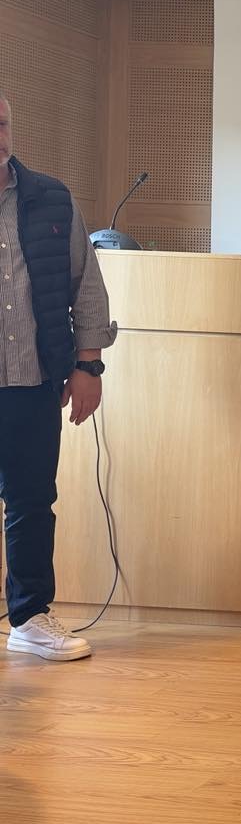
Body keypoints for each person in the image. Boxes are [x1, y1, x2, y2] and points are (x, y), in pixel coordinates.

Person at [0, 91, 116, 662]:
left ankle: (28, 618)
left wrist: (88, 366)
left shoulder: (51, 198)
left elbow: (85, 286)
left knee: (30, 501)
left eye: (1, 124)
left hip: (32, 379)